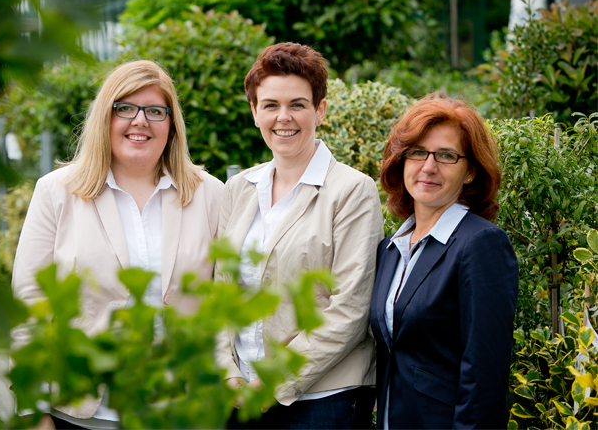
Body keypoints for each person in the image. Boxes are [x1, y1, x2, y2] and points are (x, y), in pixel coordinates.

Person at [12, 60, 224, 429]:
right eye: (125, 108)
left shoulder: (211, 196)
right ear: (104, 118)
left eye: (156, 111)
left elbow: (227, 300)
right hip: (82, 414)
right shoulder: (56, 192)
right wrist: (33, 413)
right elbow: (29, 303)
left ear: (171, 125)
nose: (140, 121)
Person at [215, 42, 384, 429]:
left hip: (322, 399)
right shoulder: (239, 188)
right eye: (270, 105)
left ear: (319, 110)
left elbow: (350, 310)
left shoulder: (352, 191)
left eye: (298, 104)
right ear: (254, 112)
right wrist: (228, 372)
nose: (283, 117)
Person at [369, 94, 519, 429]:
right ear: (401, 161)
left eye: (446, 156)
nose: (428, 167)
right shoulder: (390, 249)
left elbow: (485, 373)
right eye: (418, 152)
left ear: (470, 172)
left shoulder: (481, 244)